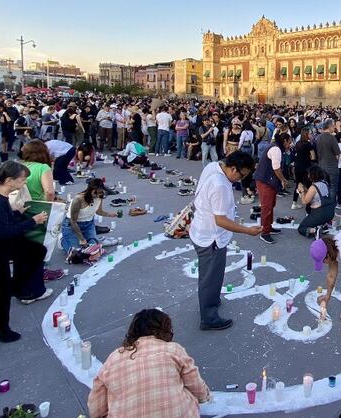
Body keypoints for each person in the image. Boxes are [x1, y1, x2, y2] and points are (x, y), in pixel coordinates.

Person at [0, 161, 51, 343]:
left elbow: (2, 223)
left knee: (36, 251)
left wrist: (17, 213)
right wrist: (32, 221)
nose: (24, 183)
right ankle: (1, 330)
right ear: (9, 180)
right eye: (22, 180)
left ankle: (17, 287)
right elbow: (2, 232)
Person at [88, 308, 210, 418]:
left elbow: (96, 408)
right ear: (166, 329)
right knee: (186, 390)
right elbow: (197, 388)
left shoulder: (114, 358)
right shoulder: (173, 350)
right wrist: (203, 396)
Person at [189, 152, 262, 330]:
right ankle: (208, 317)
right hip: (211, 237)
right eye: (241, 174)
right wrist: (247, 231)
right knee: (210, 276)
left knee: (213, 274)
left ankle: (212, 300)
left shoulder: (213, 166)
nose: (240, 179)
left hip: (202, 230)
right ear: (232, 168)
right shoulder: (221, 185)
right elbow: (220, 220)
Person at [61, 179, 118, 258]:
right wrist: (82, 239)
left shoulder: (99, 196)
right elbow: (73, 221)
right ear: (90, 190)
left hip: (88, 224)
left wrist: (110, 214)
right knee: (77, 254)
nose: (98, 195)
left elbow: (99, 211)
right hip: (72, 226)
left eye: (100, 192)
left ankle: (92, 239)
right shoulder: (78, 199)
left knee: (92, 249)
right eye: (96, 193)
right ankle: (63, 240)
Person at [254, 133, 292, 244]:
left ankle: (268, 227)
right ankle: (264, 233)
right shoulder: (276, 149)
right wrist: (283, 180)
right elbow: (276, 168)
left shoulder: (275, 147)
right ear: (284, 141)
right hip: (265, 181)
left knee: (270, 205)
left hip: (267, 180)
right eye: (289, 142)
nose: (290, 144)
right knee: (267, 207)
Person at [297, 165, 336, 237]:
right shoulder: (325, 183)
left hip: (320, 214)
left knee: (302, 228)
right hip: (330, 213)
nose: (308, 175)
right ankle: (323, 225)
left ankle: (316, 230)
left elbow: (304, 201)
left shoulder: (313, 187)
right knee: (315, 216)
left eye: (309, 174)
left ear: (312, 175)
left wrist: (301, 191)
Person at [292, 127, 316, 210]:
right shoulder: (308, 144)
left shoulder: (298, 143)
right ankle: (309, 205)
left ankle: (294, 202)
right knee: (309, 185)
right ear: (306, 134)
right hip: (306, 167)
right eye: (310, 133)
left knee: (298, 184)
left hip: (298, 166)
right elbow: (313, 157)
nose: (311, 135)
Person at [317, 118, 341, 198]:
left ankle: (324, 205)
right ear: (330, 126)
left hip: (322, 165)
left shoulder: (319, 137)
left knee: (323, 187)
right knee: (333, 188)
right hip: (332, 166)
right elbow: (337, 154)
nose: (334, 128)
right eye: (333, 126)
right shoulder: (332, 138)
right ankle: (331, 208)